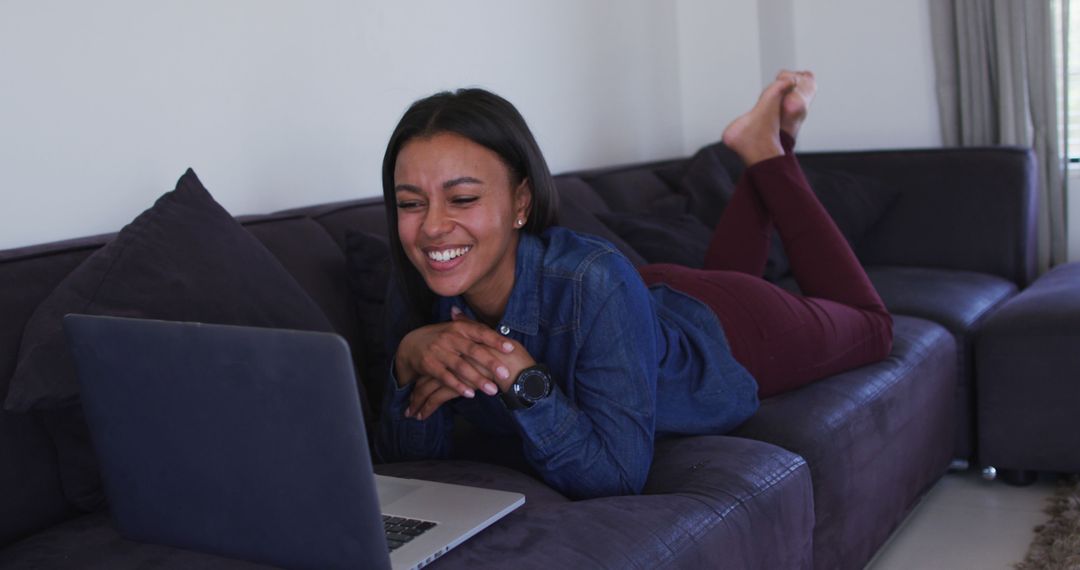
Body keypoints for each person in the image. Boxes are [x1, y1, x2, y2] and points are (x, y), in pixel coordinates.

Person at [375, 72, 893, 500]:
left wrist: (520, 376)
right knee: (718, 270)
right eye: (410, 203)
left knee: (872, 326)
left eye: (462, 199)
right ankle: (761, 142)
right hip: (638, 296)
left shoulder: (592, 280)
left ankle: (773, 153)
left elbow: (617, 478)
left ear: (521, 203)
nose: (432, 228)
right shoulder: (424, 280)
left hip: (728, 328)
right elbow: (412, 468)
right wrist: (407, 359)